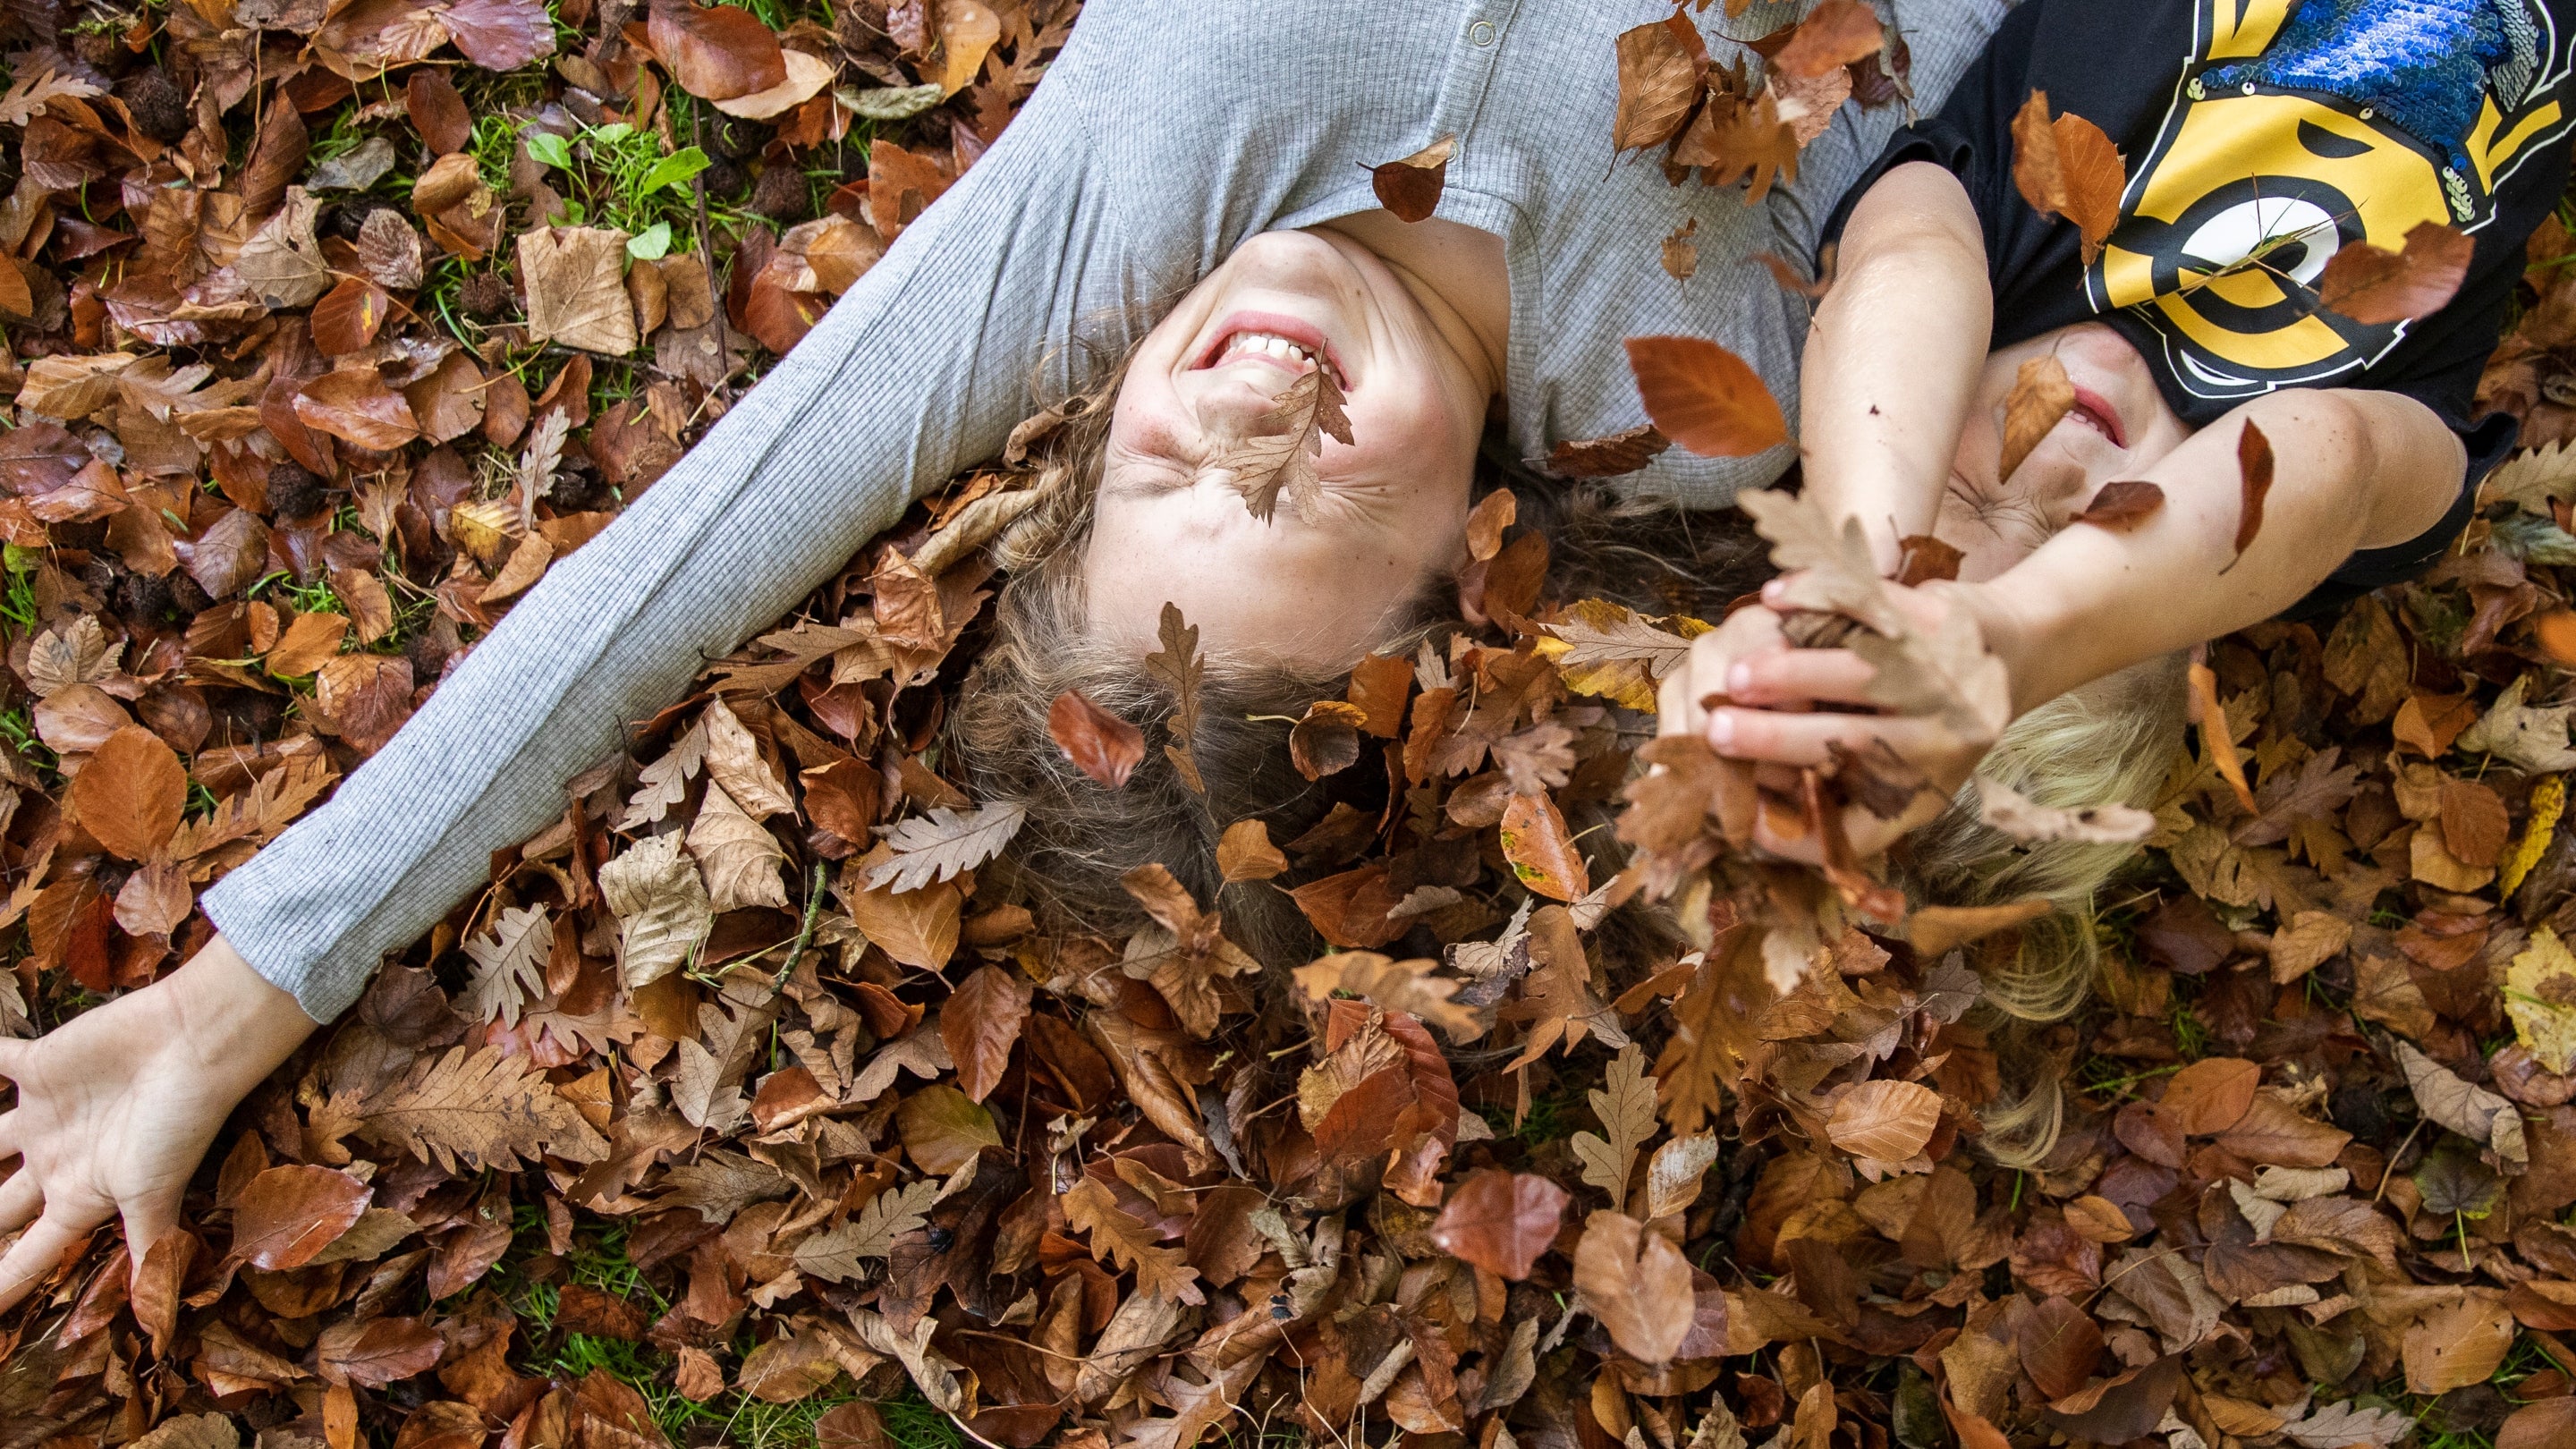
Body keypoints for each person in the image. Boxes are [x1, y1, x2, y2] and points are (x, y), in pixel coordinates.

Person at [0, 0, 2012, 1309]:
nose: (1258, 415)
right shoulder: (1696, 388)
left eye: (1178, 472)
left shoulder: (1124, 224)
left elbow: (688, 562)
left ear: (1085, 431)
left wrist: (229, 998)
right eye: (1305, 500)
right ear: (1462, 572)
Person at [1668, 0, 2575, 864]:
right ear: (2187, 614)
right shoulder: (2333, 496)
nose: (2058, 477)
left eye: (1966, 492)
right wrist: (2027, 633)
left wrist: (1851, 585)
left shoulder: (1995, 244)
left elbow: (1902, 270)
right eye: (2083, 544)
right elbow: (2335, 458)